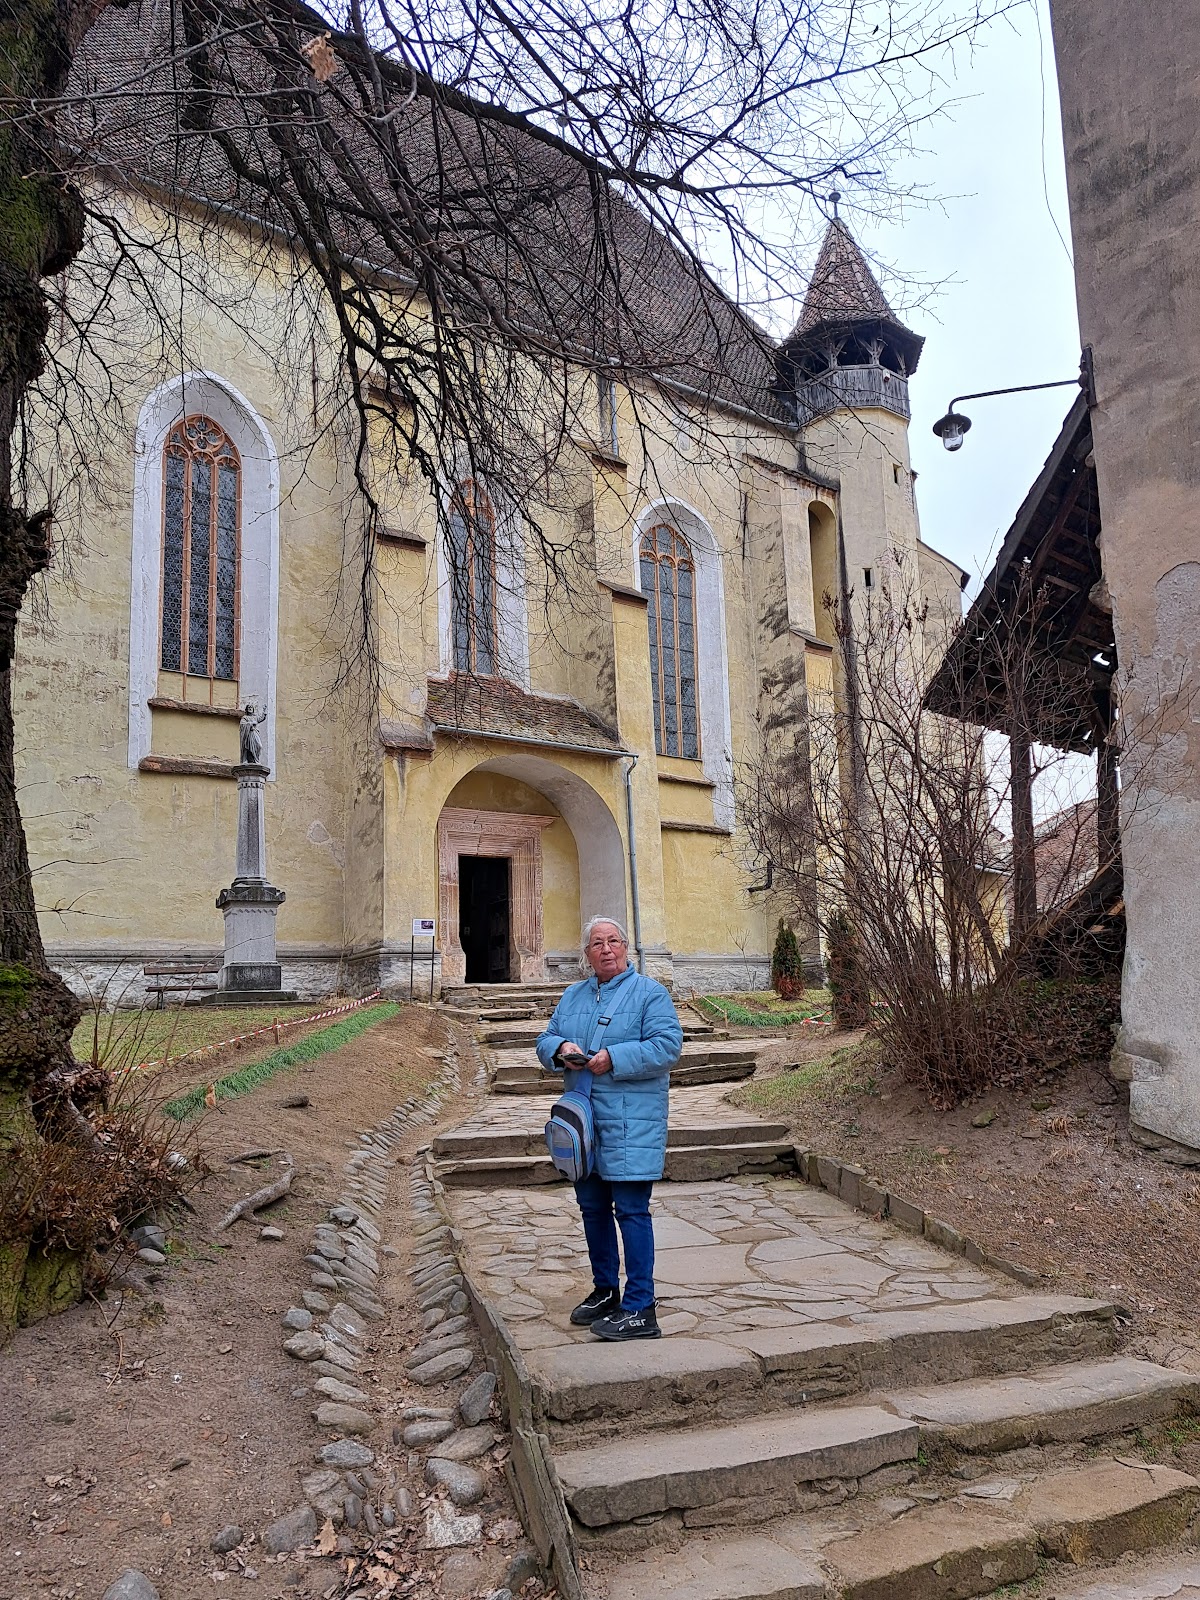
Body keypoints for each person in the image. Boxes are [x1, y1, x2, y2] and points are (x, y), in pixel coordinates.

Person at [536, 917, 683, 1340]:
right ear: (587, 954)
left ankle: (641, 1306)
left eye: (613, 941)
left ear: (626, 947)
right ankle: (605, 1290)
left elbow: (667, 1046)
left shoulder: (650, 994)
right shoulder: (573, 995)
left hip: (630, 1122)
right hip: (585, 1125)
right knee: (593, 1209)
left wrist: (613, 1057)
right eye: (597, 943)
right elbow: (546, 1038)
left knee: (632, 1212)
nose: (606, 949)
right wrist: (560, 1049)